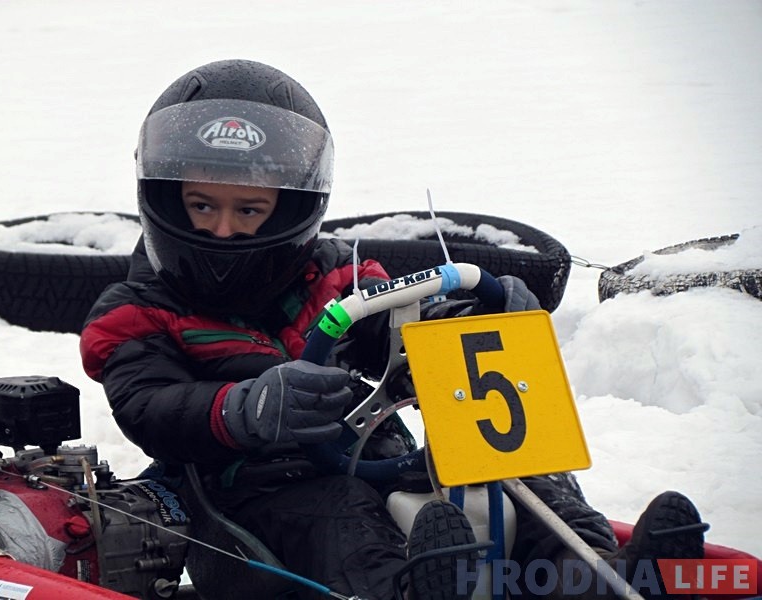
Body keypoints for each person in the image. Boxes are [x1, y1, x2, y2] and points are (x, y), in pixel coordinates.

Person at [80, 59, 705, 600]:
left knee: (509, 472)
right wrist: (242, 409)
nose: (223, 230)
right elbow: (148, 405)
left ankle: (595, 571)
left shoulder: (335, 276)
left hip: (377, 463)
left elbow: (401, 333)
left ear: (292, 208)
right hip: (243, 505)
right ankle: (414, 590)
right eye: (202, 205)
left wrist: (470, 320)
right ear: (164, 200)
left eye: (248, 210)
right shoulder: (135, 308)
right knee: (343, 510)